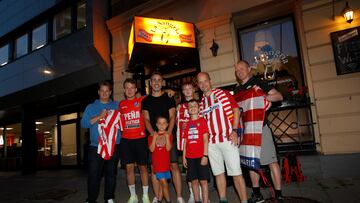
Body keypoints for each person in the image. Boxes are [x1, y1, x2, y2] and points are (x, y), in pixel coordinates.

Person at [233, 60, 284, 203]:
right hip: (246, 132)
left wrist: (262, 98)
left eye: (242, 68)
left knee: (271, 162)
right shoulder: (237, 90)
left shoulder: (258, 83)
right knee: (250, 162)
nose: (239, 71)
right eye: (237, 70)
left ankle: (279, 195)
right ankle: (257, 194)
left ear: (249, 69)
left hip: (261, 129)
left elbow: (278, 96)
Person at [196, 72, 248, 203]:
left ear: (210, 81)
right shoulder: (201, 103)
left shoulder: (222, 94)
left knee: (236, 173)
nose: (203, 84)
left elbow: (236, 110)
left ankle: (244, 201)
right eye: (200, 82)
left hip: (227, 139)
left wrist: (235, 131)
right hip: (212, 144)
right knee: (218, 174)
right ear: (198, 85)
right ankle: (223, 199)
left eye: (205, 81)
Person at [142, 72, 185, 203]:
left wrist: (167, 134)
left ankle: (178, 196)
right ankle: (157, 197)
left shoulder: (169, 98)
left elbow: (172, 117)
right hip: (153, 137)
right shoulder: (146, 101)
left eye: (159, 80)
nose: (156, 82)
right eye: (154, 80)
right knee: (154, 168)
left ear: (162, 82)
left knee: (174, 166)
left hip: (169, 135)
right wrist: (154, 135)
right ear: (150, 82)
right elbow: (146, 119)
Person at [80, 81, 121, 203]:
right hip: (95, 147)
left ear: (110, 92)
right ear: (98, 92)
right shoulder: (91, 107)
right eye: (102, 91)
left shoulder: (117, 105)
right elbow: (84, 124)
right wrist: (99, 116)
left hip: (113, 145)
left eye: (107, 91)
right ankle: (91, 199)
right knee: (94, 175)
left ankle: (109, 197)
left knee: (111, 174)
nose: (104, 93)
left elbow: (134, 104)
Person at [119, 78, 150, 203]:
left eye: (132, 87)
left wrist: (168, 91)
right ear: (124, 90)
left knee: (143, 168)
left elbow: (154, 95)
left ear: (136, 89)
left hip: (141, 140)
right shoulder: (121, 104)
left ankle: (145, 195)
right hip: (126, 141)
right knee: (129, 169)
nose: (130, 90)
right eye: (127, 88)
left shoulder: (142, 100)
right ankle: (133, 196)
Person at [176, 82, 200, 203]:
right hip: (186, 143)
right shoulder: (179, 107)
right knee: (189, 170)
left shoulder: (200, 104)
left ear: (194, 89)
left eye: (189, 88)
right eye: (184, 89)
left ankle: (201, 194)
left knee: (201, 169)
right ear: (183, 92)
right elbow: (177, 124)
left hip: (198, 141)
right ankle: (192, 194)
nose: (187, 91)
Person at [182, 99, 210, 203]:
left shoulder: (202, 121)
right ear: (188, 110)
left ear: (199, 109)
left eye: (195, 105)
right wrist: (184, 156)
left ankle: (205, 201)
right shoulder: (187, 124)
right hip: (190, 157)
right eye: (190, 106)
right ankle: (197, 200)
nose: (192, 107)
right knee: (193, 181)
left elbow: (206, 139)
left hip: (201, 156)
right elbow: (185, 142)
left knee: (203, 181)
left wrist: (205, 156)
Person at [148, 116, 173, 203]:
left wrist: (166, 137)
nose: (162, 125)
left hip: (165, 163)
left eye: (164, 123)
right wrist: (155, 138)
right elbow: (151, 149)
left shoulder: (169, 135)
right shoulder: (152, 136)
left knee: (163, 184)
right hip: (157, 164)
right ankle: (169, 201)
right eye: (159, 123)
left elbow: (169, 148)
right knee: (164, 183)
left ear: (167, 125)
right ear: (156, 125)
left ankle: (159, 200)